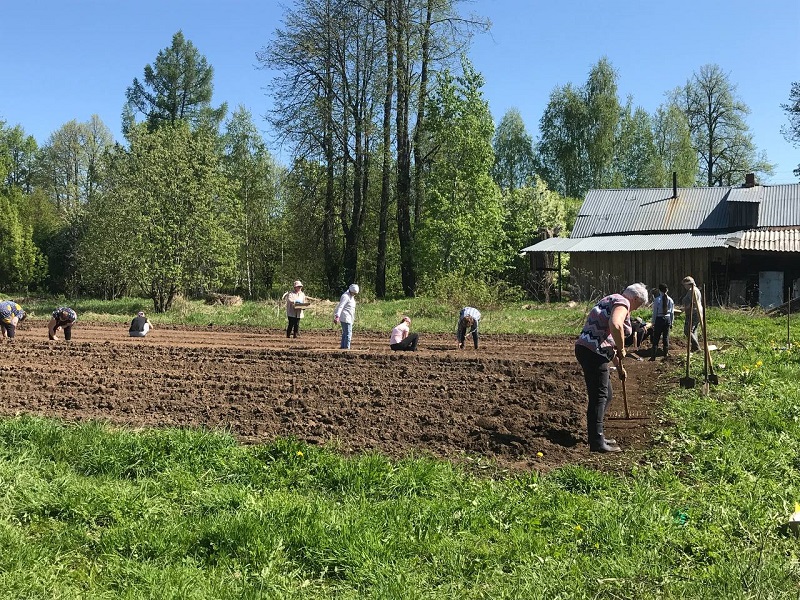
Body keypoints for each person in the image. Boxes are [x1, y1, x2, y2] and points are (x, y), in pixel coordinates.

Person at [575, 283, 648, 453]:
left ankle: (596, 434)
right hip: (593, 352)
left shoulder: (610, 299)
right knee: (599, 396)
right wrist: (622, 348)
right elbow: (616, 325)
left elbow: (607, 340)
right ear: (636, 298)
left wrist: (618, 365)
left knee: (606, 395)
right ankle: (596, 442)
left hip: (589, 349)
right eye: (639, 305)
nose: (636, 309)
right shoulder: (623, 303)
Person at [650, 283, 674, 360]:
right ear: (667, 290)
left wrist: (653, 322)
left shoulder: (657, 300)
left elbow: (655, 312)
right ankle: (665, 354)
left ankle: (653, 356)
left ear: (659, 290)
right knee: (666, 337)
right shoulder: (670, 300)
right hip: (667, 319)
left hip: (659, 319)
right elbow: (672, 313)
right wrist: (671, 322)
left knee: (656, 337)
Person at [681, 276, 703, 352]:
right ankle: (694, 348)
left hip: (693, 312)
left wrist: (684, 309)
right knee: (693, 331)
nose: (684, 287)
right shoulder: (696, 290)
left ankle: (697, 347)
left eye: (684, 285)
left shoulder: (692, 291)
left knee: (687, 330)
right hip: (698, 312)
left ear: (688, 284)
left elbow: (693, 303)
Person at [333, 284, 359, 349]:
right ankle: (346, 348)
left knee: (345, 333)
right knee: (348, 334)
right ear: (351, 291)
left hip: (349, 317)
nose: (355, 294)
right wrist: (337, 316)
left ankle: (343, 347)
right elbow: (340, 306)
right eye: (354, 293)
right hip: (346, 317)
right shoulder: (345, 296)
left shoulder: (351, 296)